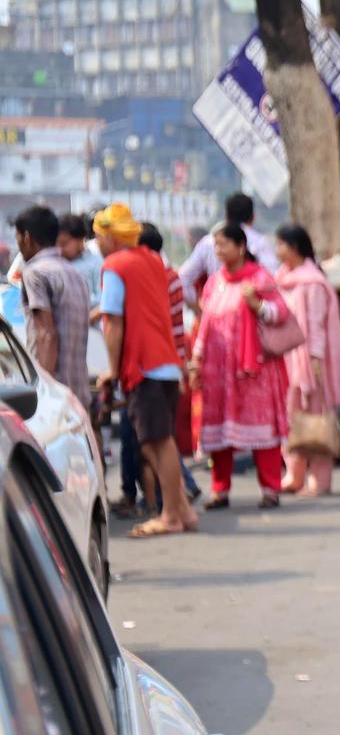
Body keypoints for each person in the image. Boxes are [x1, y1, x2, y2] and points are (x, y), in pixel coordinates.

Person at [94, 204, 197, 538]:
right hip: (166, 363)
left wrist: (111, 369)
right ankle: (181, 510)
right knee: (158, 441)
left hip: (143, 365)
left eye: (98, 236)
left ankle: (171, 514)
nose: (97, 243)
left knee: (156, 441)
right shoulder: (153, 261)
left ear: (110, 236)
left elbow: (114, 323)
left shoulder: (115, 266)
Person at [190, 224, 292, 509]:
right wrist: (197, 358)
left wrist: (257, 306)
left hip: (253, 371)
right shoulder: (214, 283)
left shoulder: (259, 279)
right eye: (216, 246)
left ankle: (271, 489)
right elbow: (205, 325)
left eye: (223, 245)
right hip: (218, 371)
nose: (219, 251)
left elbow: (281, 313)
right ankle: (220, 490)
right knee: (219, 432)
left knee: (263, 432)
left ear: (241, 247)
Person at [274, 224, 340, 495]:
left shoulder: (312, 283)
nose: (277, 250)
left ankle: (319, 480)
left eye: (281, 244)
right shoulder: (282, 279)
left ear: (294, 248)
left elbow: (316, 325)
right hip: (288, 361)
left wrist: (315, 362)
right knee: (292, 419)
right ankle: (293, 475)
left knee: (317, 419)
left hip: (311, 364)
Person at [138, 224, 202, 508]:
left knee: (157, 439)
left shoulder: (156, 279)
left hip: (157, 363)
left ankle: (178, 494)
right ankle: (177, 495)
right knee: (164, 437)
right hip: (173, 361)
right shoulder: (172, 277)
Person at [12, 205, 91, 398]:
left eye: (18, 239)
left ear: (27, 238)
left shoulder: (35, 273)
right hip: (78, 393)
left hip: (55, 396)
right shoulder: (75, 274)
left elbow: (46, 334)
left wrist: (44, 393)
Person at [179, 193, 272, 307]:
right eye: (219, 245)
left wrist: (199, 309)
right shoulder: (260, 243)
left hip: (227, 309)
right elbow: (273, 279)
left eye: (223, 245)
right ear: (252, 217)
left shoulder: (208, 242)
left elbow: (183, 277)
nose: (219, 250)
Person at [58, 212, 104, 307]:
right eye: (57, 244)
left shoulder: (96, 263)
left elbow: (102, 301)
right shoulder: (55, 263)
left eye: (64, 244)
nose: (60, 249)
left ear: (80, 239)